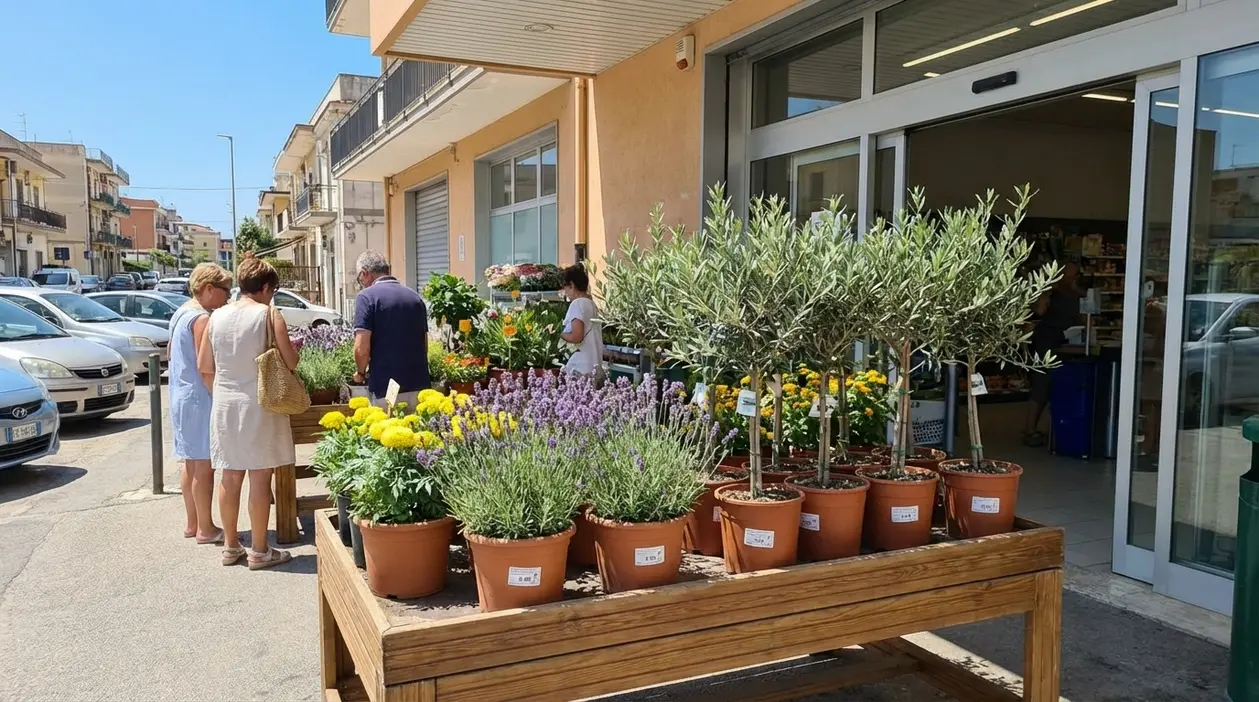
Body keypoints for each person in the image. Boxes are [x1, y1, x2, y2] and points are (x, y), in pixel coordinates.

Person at [197, 256, 297, 569]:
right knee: (259, 475)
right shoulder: (268, 313)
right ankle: (259, 550)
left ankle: (230, 546)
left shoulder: (216, 316)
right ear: (266, 287)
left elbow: (204, 366)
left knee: (230, 473)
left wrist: (221, 393)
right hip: (260, 401)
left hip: (225, 402)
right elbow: (291, 362)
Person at [170, 263, 233, 544]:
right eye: (225, 291)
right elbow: (205, 366)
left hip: (180, 395)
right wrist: (218, 396)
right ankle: (206, 528)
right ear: (209, 289)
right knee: (204, 466)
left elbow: (172, 353)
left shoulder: (180, 312)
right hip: (198, 398)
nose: (227, 298)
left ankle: (193, 523)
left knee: (190, 462)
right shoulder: (201, 319)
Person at [351, 251, 429, 408]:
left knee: (387, 430)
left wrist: (360, 373)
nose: (362, 283)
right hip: (419, 384)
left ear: (365, 273)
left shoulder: (366, 297)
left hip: (385, 386)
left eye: (360, 279)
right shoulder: (414, 297)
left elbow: (362, 347)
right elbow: (424, 342)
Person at [1024, 261, 1085, 446]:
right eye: (1070, 273)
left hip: (1065, 341)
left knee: (1058, 385)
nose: (1073, 277)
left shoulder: (1074, 293)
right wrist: (1045, 295)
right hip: (1046, 341)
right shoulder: (1051, 291)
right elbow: (1039, 311)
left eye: (1075, 274)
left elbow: (1083, 311)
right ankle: (1030, 429)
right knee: (1042, 385)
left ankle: (1055, 427)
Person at [559, 264, 604, 379]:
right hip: (594, 365)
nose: (565, 291)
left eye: (565, 286)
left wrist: (558, 333)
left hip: (580, 368)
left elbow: (577, 336)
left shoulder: (577, 304)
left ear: (572, 285)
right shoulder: (591, 304)